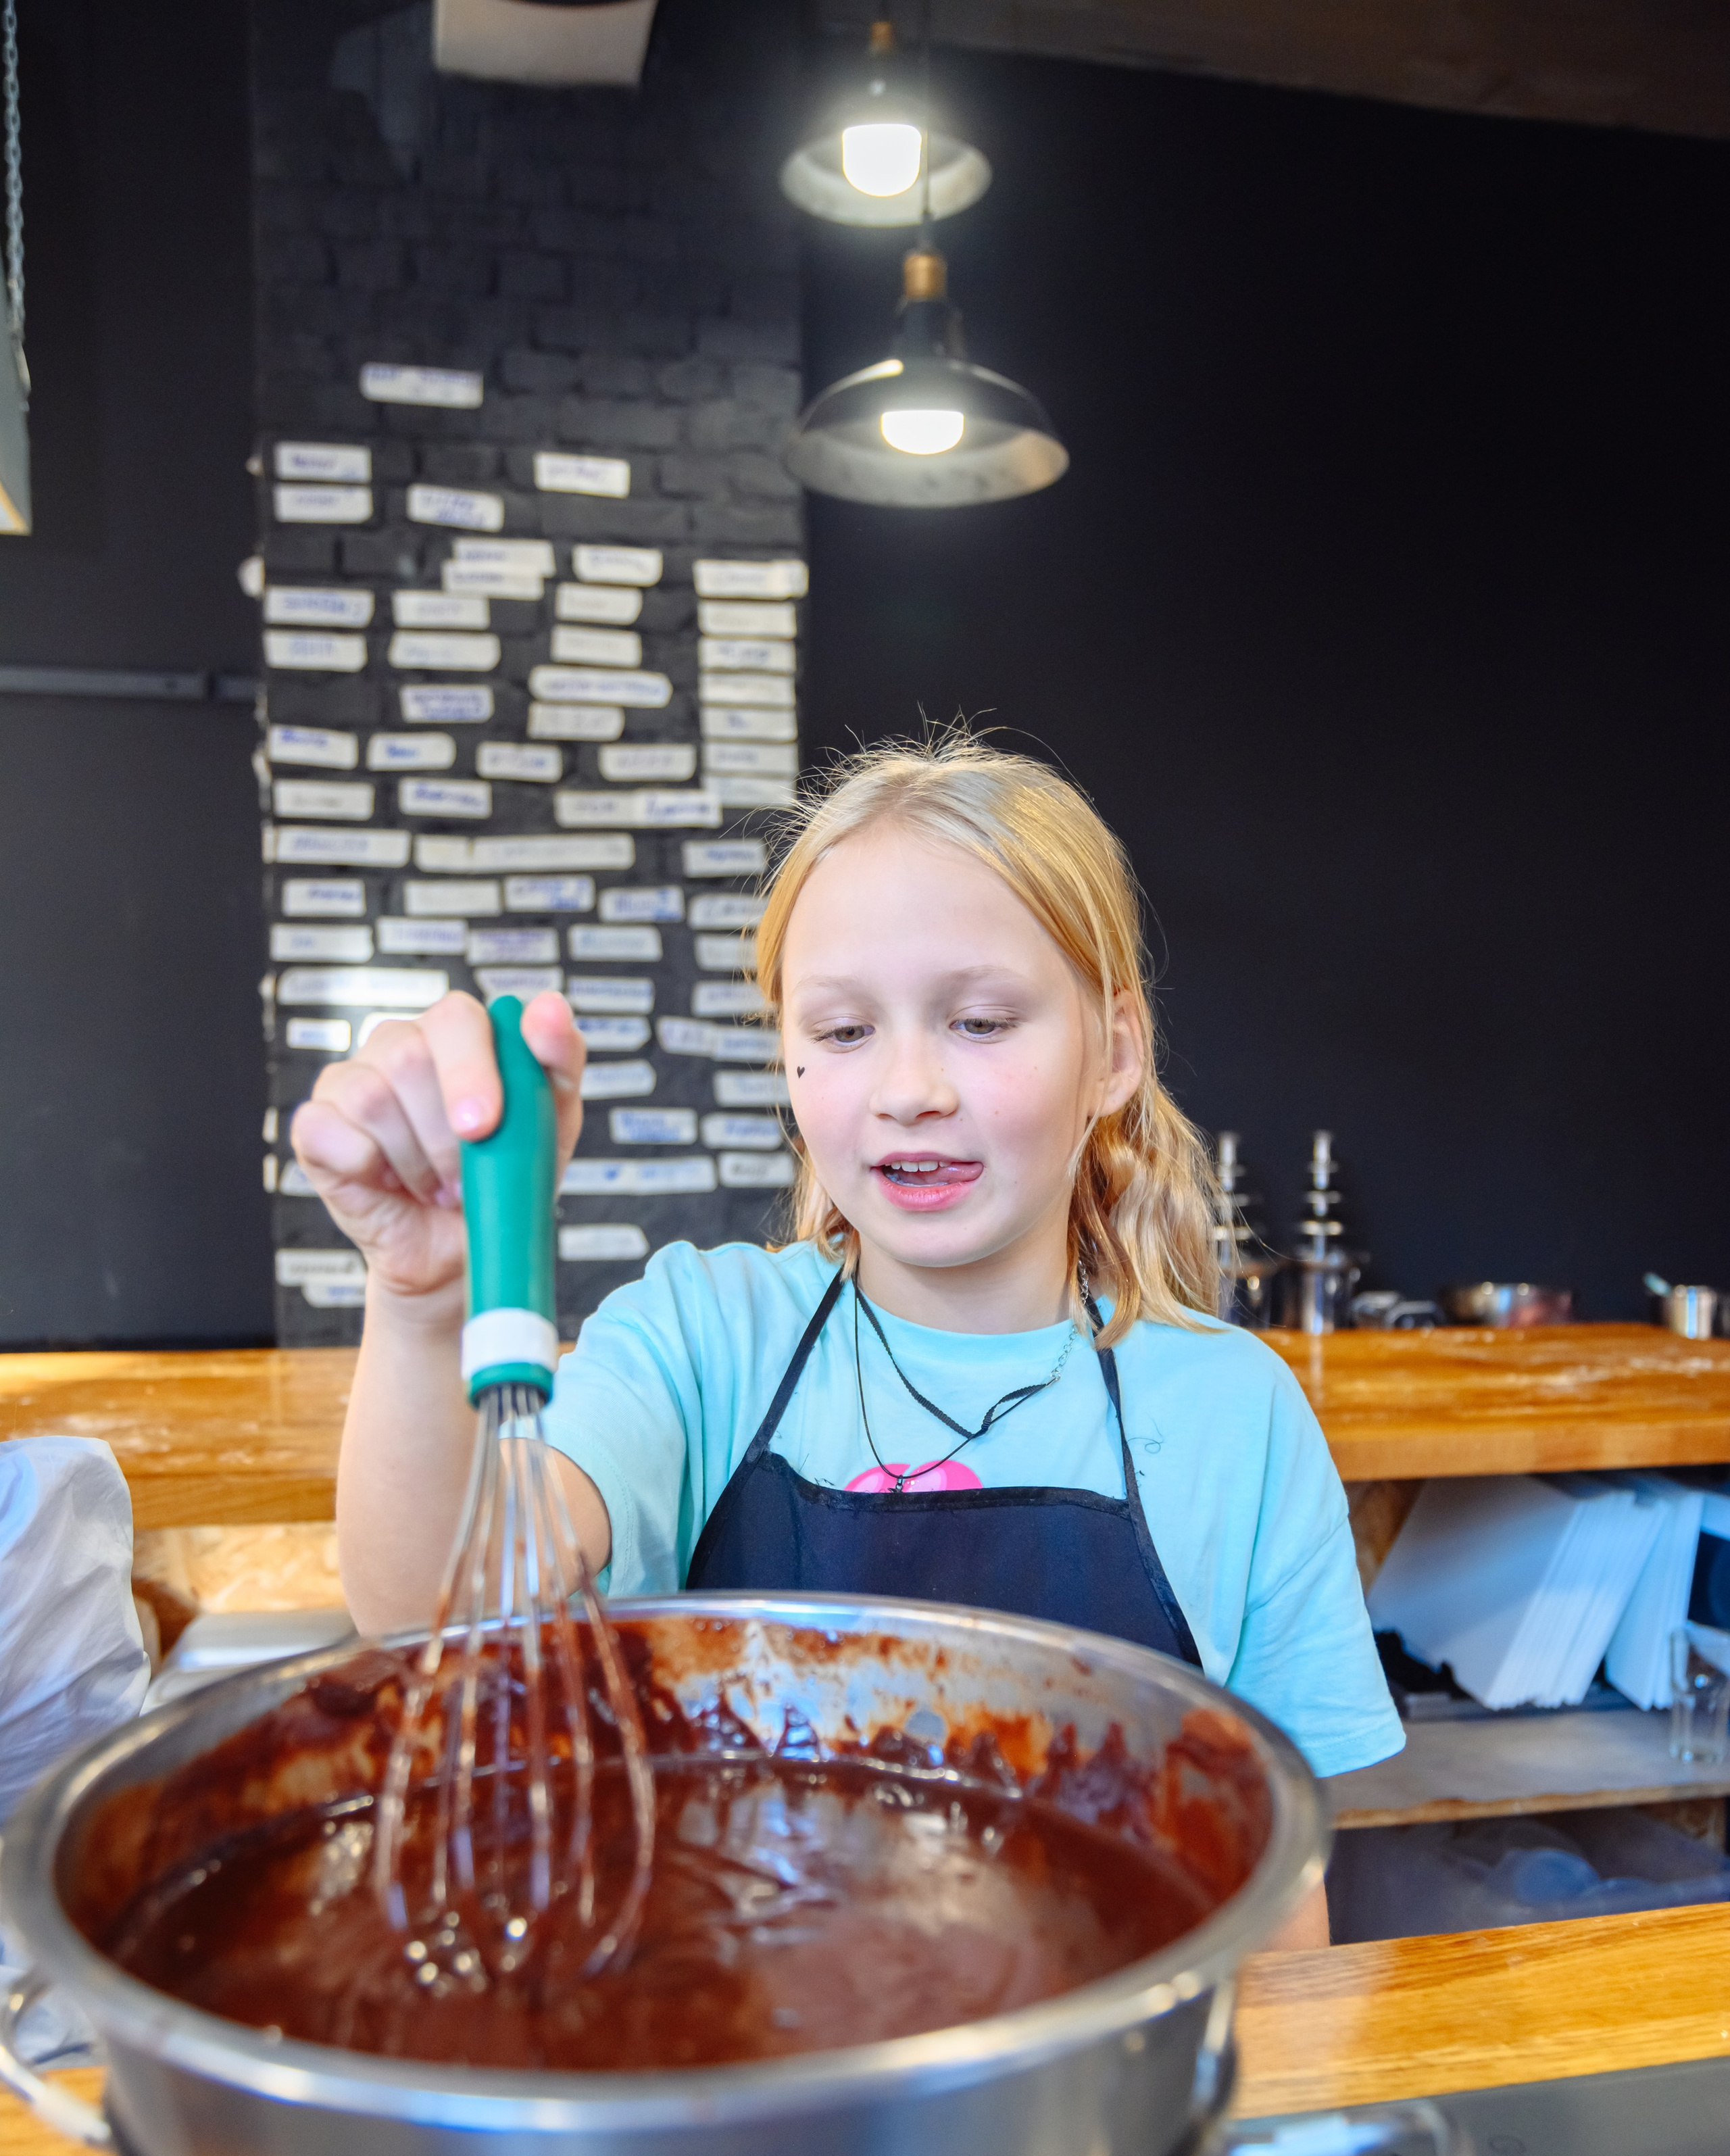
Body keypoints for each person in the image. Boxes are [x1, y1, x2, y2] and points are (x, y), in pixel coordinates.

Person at [293, 737, 1404, 1950]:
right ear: (789, 1058)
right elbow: (440, 1621)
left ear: (1116, 1055)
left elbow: (1278, 1884)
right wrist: (425, 1302)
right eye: (842, 1029)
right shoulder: (706, 1337)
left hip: (1105, 2060)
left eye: (981, 1020)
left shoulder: (1234, 1415)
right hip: (736, 2032)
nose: (908, 1087)